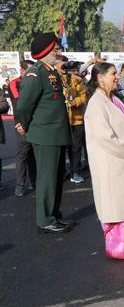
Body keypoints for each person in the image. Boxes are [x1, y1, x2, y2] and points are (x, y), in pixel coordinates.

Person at [84, 61, 124, 260]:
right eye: (112, 74)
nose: (116, 77)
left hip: (123, 161)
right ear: (99, 78)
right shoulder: (96, 104)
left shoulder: (113, 99)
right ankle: (121, 248)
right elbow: (107, 139)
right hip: (111, 163)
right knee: (117, 207)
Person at [14, 33, 75, 234]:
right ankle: (45, 219)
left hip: (56, 133)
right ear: (46, 51)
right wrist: (23, 124)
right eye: (55, 47)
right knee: (48, 179)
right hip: (45, 134)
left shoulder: (51, 72)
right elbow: (23, 105)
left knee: (57, 178)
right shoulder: (36, 74)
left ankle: (54, 214)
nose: (58, 50)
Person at [8, 60, 37, 196]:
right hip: (22, 123)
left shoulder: (36, 82)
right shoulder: (14, 83)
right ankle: (20, 184)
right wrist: (21, 124)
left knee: (33, 153)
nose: (33, 74)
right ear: (22, 71)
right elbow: (20, 103)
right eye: (30, 71)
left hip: (36, 122)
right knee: (23, 153)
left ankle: (34, 180)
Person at [59, 59, 88, 183]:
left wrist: (74, 102)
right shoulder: (53, 79)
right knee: (60, 149)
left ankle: (75, 172)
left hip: (77, 120)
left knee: (76, 148)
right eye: (62, 66)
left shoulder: (77, 79)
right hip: (60, 120)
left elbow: (84, 96)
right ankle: (61, 172)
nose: (65, 68)